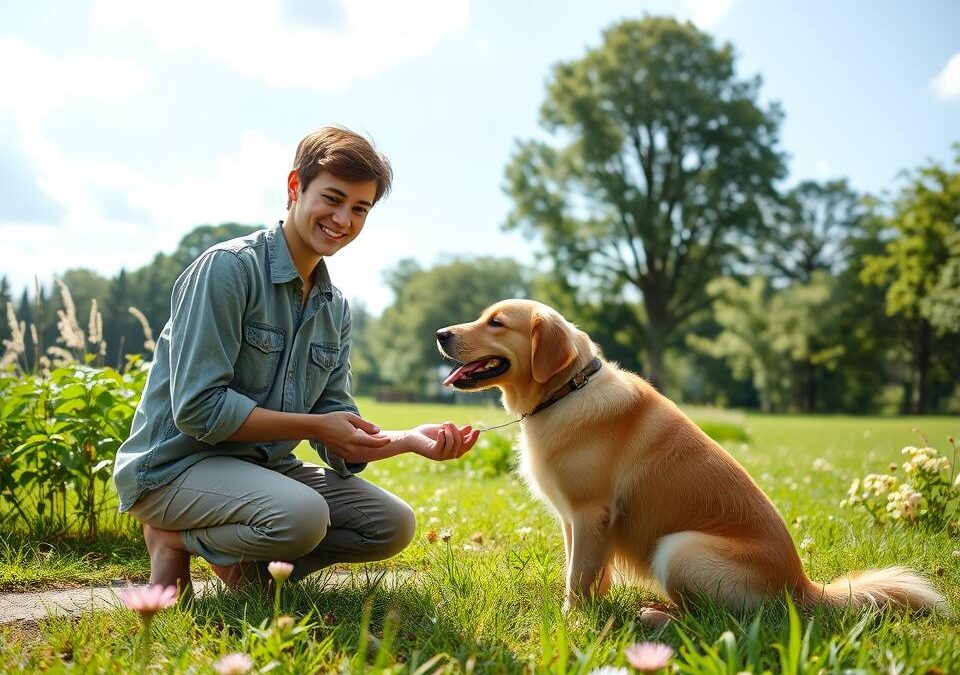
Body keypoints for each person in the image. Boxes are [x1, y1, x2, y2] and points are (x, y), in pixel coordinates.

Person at [112, 126, 479, 593]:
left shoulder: (334, 306)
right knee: (303, 516)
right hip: (176, 467)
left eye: (360, 209)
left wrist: (409, 440)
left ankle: (248, 574)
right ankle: (172, 538)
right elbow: (199, 409)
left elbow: (335, 425)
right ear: (294, 188)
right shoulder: (228, 269)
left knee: (391, 524)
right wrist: (311, 427)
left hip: (262, 471)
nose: (343, 219)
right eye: (333, 198)